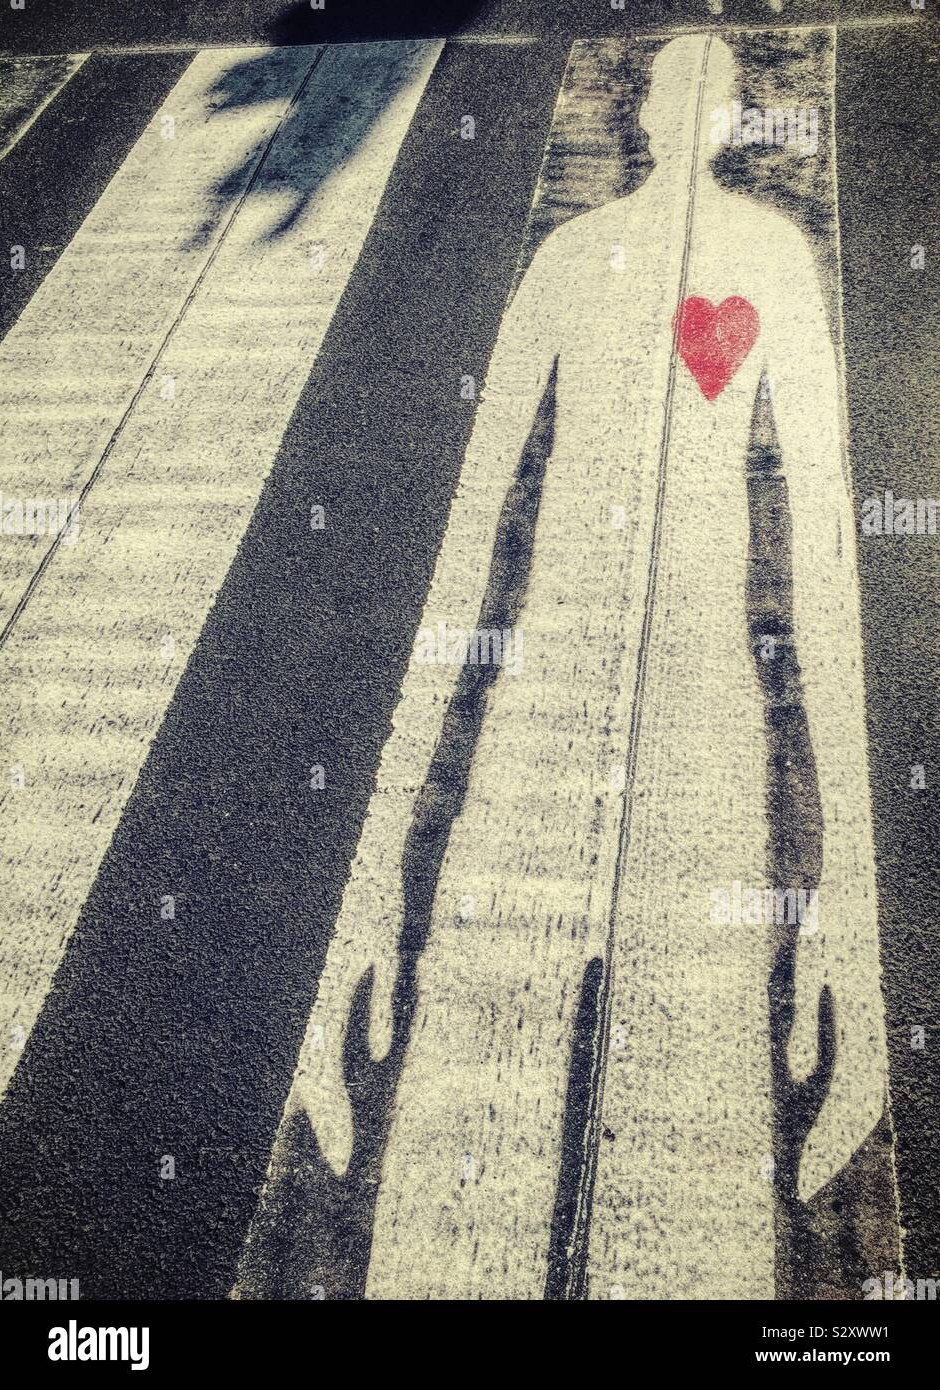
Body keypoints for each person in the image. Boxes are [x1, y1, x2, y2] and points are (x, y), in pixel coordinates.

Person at [282, 34, 889, 1298]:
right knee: (494, 1162)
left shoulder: (740, 265)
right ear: (671, 118)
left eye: (701, 92)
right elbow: (467, 543)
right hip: (580, 717)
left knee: (679, 1153)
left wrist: (859, 920)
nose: (687, 111)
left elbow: (827, 563)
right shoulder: (599, 263)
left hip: (683, 720)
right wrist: (368, 890)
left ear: (701, 120)